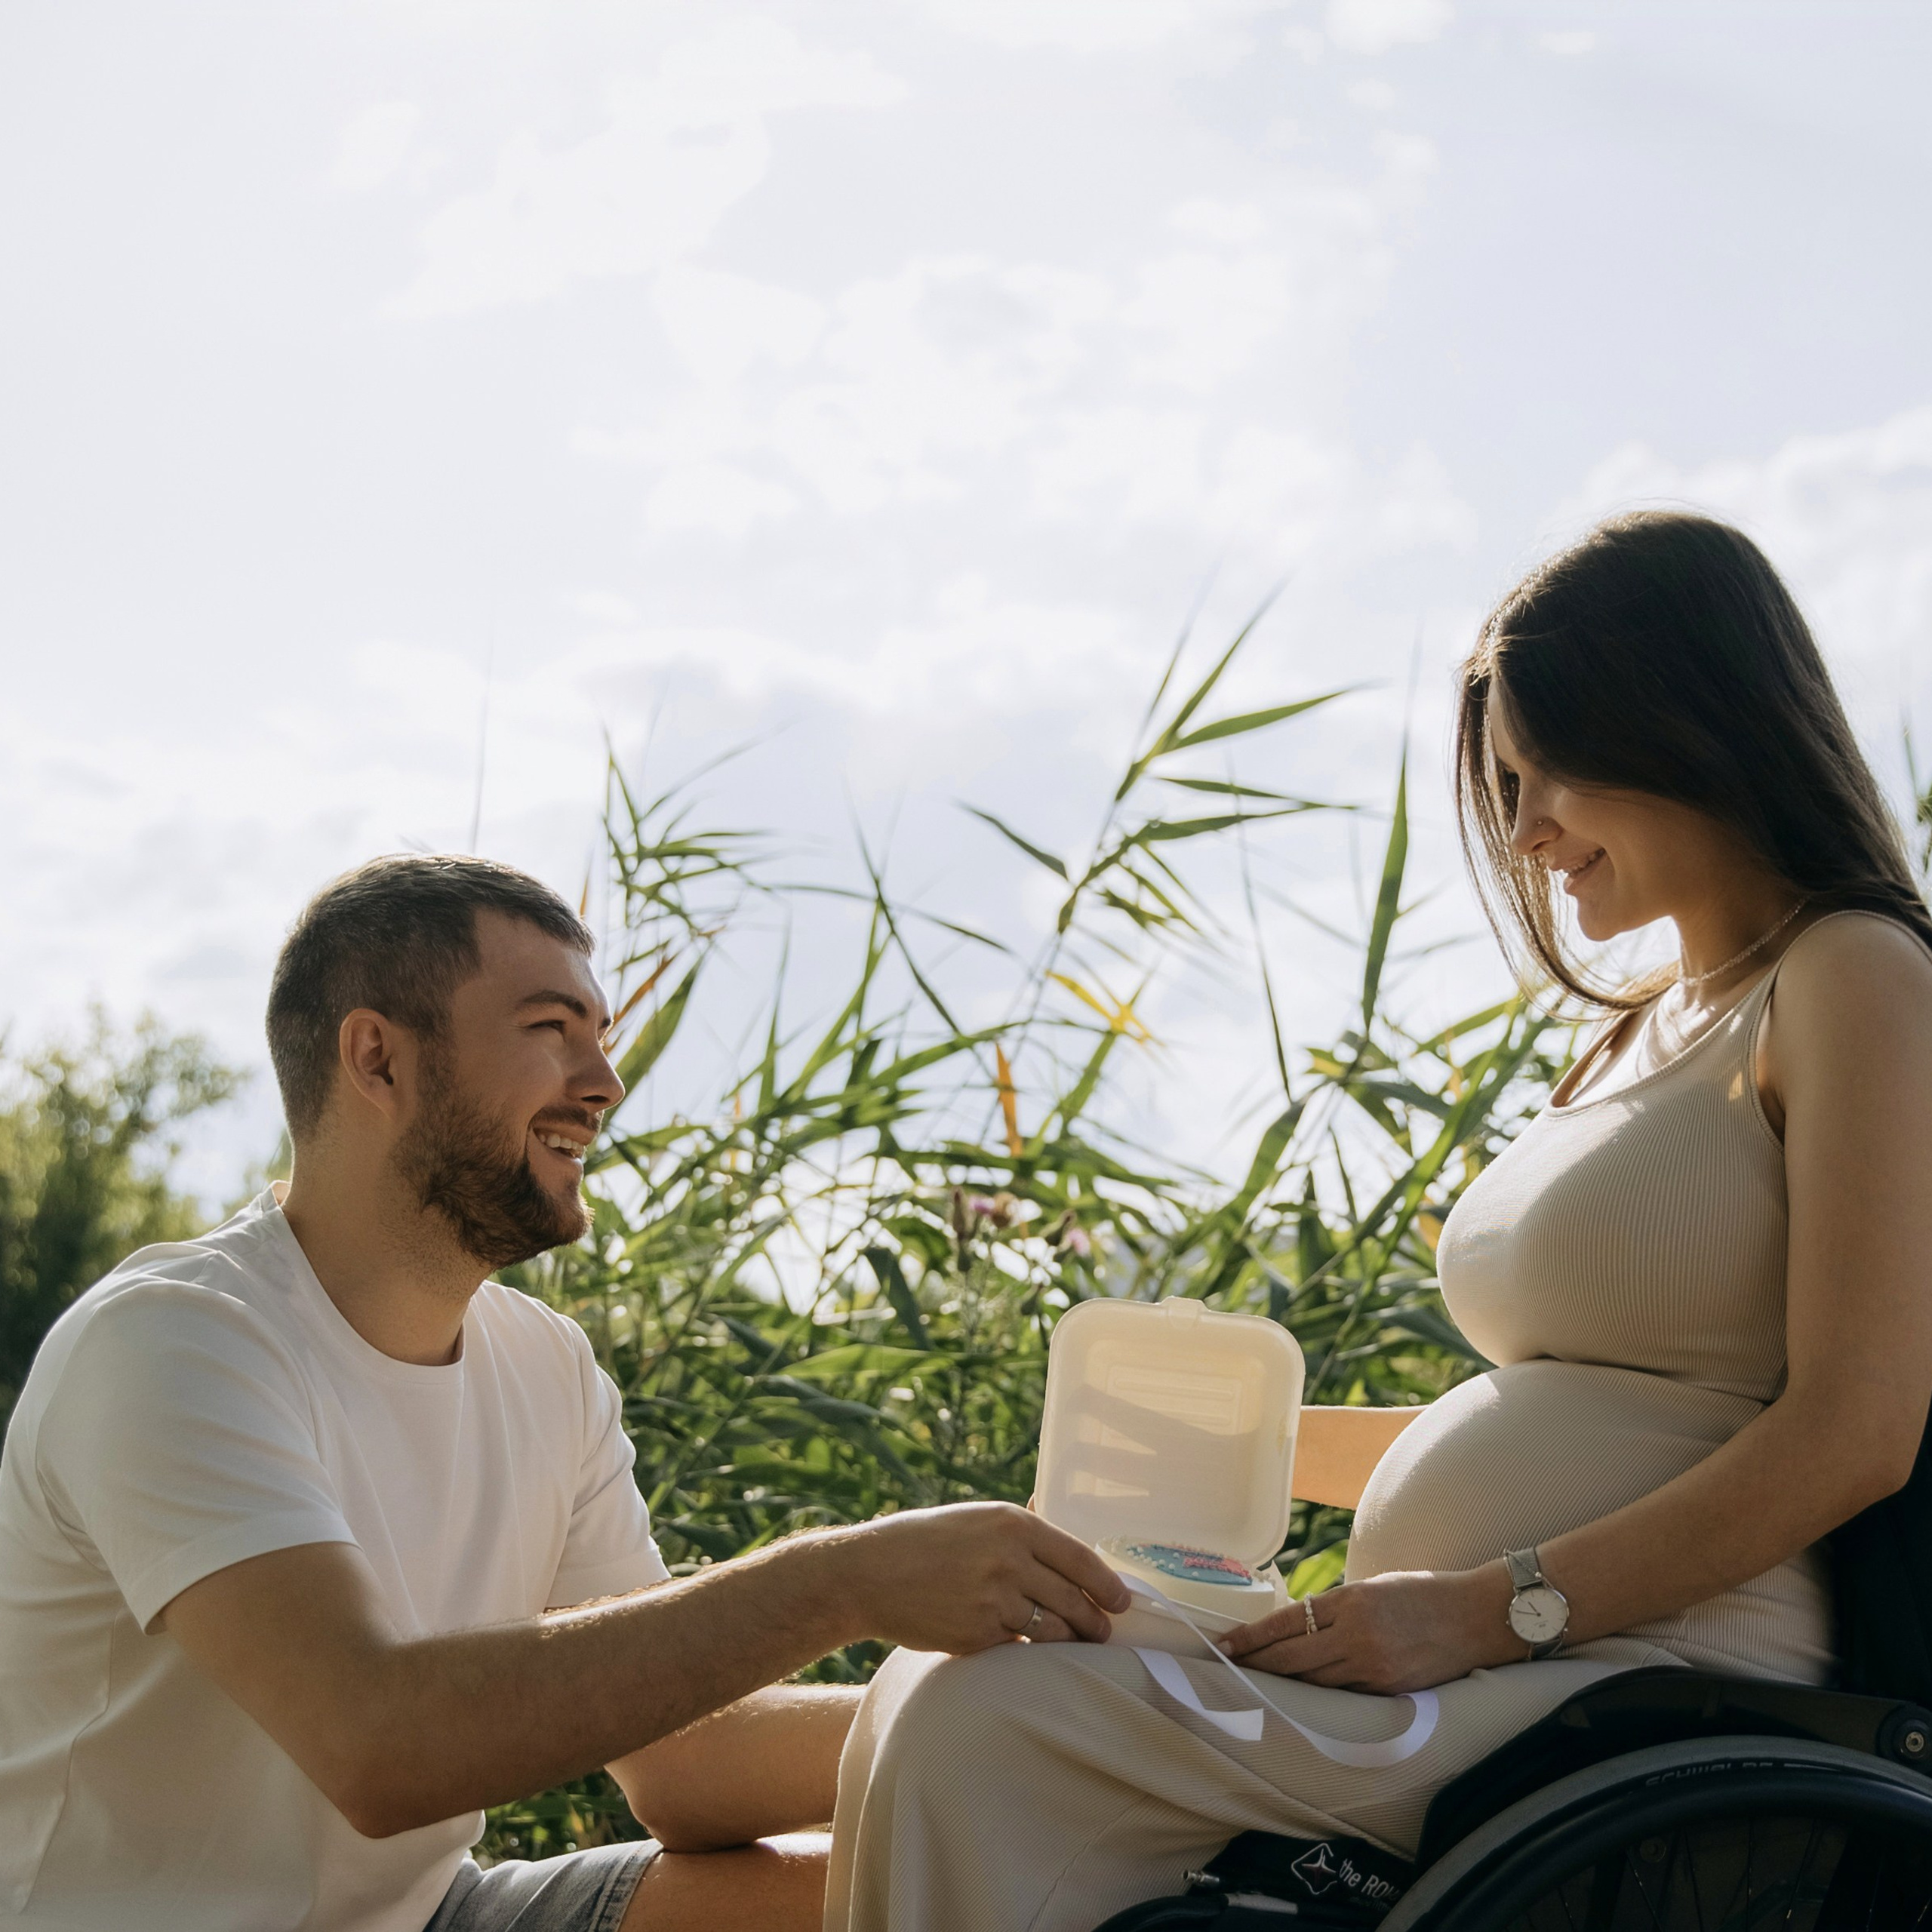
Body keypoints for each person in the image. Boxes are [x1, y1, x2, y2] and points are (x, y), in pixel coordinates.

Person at [821, 509, 1932, 1932]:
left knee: (985, 1733)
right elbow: (1566, 1408)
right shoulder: (1641, 1033)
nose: (1528, 835)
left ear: (1685, 722)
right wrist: (1232, 1458)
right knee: (934, 1685)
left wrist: (1484, 1608)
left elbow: (1858, 1425)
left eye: (1549, 775)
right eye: (1509, 785)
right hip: (1494, 1671)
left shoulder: (1852, 975)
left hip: (1646, 1700)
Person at [0, 856, 1130, 1932]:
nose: (604, 1085)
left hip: (432, 1913)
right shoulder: (174, 1342)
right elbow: (378, 1747)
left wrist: (1046, 1727)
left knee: (991, 1885)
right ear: (379, 1060)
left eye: (602, 1039)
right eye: (550, 1032)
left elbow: (687, 1768)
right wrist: (845, 1581)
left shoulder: (545, 1366)